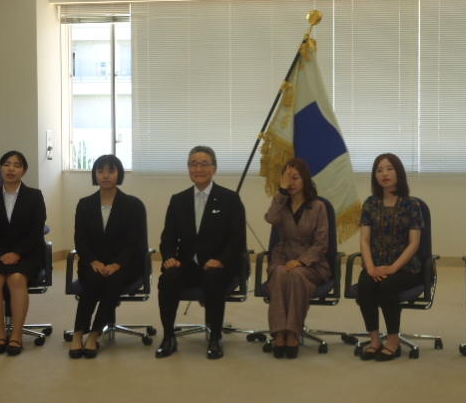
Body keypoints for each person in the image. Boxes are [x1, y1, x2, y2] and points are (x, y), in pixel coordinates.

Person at [156, 146, 246, 360]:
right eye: (193, 164)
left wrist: (221, 260)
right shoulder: (178, 200)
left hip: (220, 266)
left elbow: (237, 240)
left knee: (214, 278)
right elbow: (168, 237)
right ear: (188, 168)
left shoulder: (230, 199)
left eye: (204, 164)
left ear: (214, 168)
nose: (198, 169)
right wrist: (169, 258)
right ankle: (168, 337)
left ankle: (215, 338)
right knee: (168, 278)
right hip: (187, 265)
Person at [68, 155, 147, 359]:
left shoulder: (133, 205)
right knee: (92, 280)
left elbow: (134, 242)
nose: (105, 175)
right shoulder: (85, 204)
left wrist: (117, 264)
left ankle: (94, 334)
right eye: (100, 171)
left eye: (110, 171)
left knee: (113, 280)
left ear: (118, 174)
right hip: (93, 263)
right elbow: (80, 240)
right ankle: (78, 333)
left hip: (126, 265)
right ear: (95, 174)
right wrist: (93, 261)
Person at [0, 150, 47, 356]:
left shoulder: (34, 196)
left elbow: (36, 231)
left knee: (16, 279)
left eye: (16, 165)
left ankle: (16, 336)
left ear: (23, 171)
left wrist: (17, 253)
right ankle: (0, 335)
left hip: (26, 254)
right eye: (7, 164)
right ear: (0, 168)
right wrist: (0, 254)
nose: (11, 169)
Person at [356, 153, 424, 361]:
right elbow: (364, 240)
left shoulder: (411, 204)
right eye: (379, 170)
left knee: (387, 286)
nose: (384, 174)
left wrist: (393, 268)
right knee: (365, 284)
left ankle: (393, 342)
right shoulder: (370, 203)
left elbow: (414, 243)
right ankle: (375, 340)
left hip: (405, 268)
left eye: (389, 169)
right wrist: (370, 268)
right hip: (376, 265)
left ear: (398, 173)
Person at [264, 157, 330, 359]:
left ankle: (292, 332)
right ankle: (279, 333)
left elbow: (321, 244)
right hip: (283, 258)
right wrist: (281, 192)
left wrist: (301, 261)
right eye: (287, 178)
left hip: (312, 263)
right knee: (280, 273)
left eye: (295, 178)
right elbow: (270, 218)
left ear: (305, 180)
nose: (291, 183)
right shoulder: (281, 203)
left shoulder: (318, 206)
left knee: (296, 275)